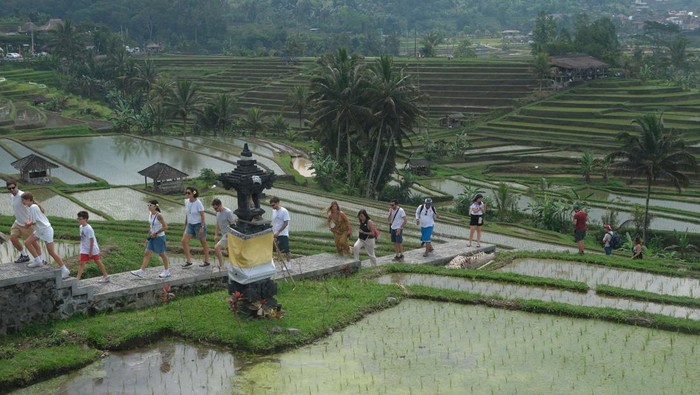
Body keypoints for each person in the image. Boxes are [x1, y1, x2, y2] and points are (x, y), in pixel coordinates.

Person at [20, 192, 70, 279]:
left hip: (46, 230)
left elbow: (33, 221)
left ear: (28, 200)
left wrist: (26, 225)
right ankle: (38, 261)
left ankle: (65, 270)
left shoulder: (33, 207)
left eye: (23, 200)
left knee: (51, 252)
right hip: (40, 230)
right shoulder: (31, 207)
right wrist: (27, 223)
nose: (22, 202)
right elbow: (32, 221)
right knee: (27, 242)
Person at [131, 200, 171, 278]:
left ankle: (167, 271)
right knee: (147, 253)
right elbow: (151, 227)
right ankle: (141, 271)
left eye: (150, 205)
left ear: (155, 206)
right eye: (148, 205)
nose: (149, 207)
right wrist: (148, 238)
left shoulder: (159, 215)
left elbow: (165, 226)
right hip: (152, 237)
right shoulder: (150, 214)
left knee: (162, 254)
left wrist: (156, 233)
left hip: (159, 237)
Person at [6, 180, 40, 264]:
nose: (12, 190)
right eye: (9, 188)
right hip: (17, 223)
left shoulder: (22, 195)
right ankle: (24, 255)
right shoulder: (12, 196)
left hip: (27, 224)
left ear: (16, 186)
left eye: (13, 188)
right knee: (13, 238)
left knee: (33, 243)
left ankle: (40, 259)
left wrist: (33, 219)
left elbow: (33, 204)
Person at [76, 211, 110, 282]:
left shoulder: (89, 229)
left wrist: (90, 252)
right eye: (78, 219)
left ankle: (106, 276)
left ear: (85, 219)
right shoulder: (81, 227)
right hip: (84, 248)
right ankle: (77, 280)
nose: (78, 220)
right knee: (82, 263)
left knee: (97, 261)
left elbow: (92, 240)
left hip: (92, 248)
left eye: (80, 219)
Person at [181, 187, 210, 268]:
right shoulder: (186, 201)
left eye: (188, 193)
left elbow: (202, 216)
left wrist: (202, 227)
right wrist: (185, 224)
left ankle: (207, 260)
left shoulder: (198, 203)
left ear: (193, 193)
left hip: (198, 225)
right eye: (186, 193)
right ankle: (189, 261)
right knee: (184, 241)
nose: (187, 194)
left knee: (203, 242)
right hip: (190, 225)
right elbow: (187, 214)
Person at [212, 198, 236, 270]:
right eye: (214, 208)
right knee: (229, 251)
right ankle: (233, 265)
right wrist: (216, 234)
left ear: (220, 205)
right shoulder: (218, 213)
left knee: (216, 248)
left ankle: (221, 265)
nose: (215, 210)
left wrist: (230, 234)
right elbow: (218, 224)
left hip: (228, 234)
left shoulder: (228, 212)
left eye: (216, 208)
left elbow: (233, 224)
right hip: (223, 234)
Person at [270, 197, 291, 268]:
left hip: (283, 234)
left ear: (278, 203)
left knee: (286, 250)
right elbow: (274, 222)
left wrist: (279, 232)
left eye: (273, 205)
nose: (272, 207)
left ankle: (288, 265)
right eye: (271, 205)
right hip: (274, 233)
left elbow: (286, 223)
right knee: (273, 249)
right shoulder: (274, 211)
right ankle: (273, 264)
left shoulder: (284, 211)